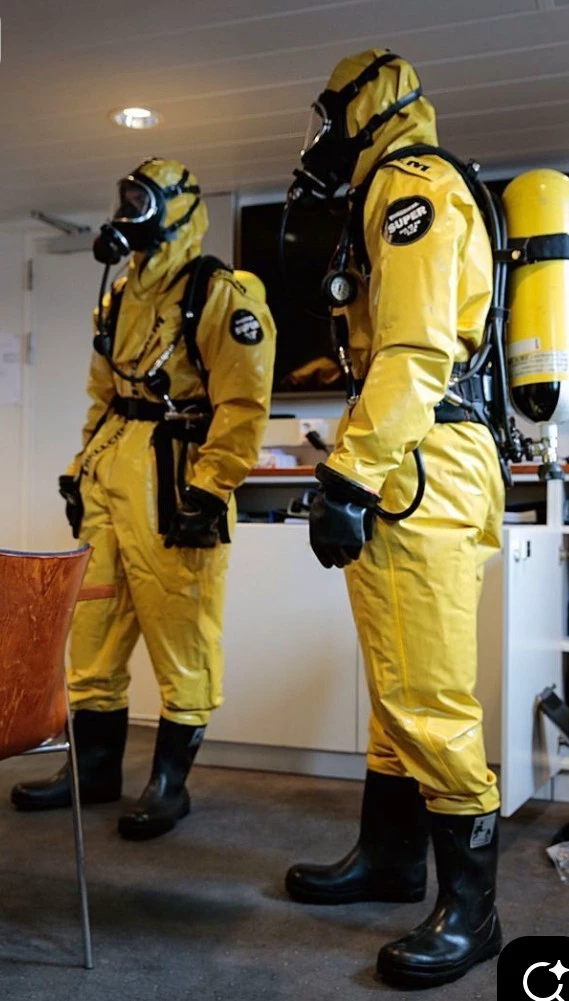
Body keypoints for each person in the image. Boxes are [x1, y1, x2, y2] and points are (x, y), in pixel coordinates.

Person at [283, 50, 504, 989]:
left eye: (330, 116)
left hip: (420, 460)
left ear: (366, 110)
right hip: (415, 456)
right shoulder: (386, 188)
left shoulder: (409, 184)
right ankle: (388, 858)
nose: (320, 138)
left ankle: (475, 913)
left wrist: (347, 477)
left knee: (427, 694)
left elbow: (412, 348)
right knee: (395, 681)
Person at [12, 158, 276, 841]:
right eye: (125, 199)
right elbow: (104, 396)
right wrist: (80, 470)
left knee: (182, 630)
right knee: (93, 625)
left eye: (142, 201)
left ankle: (169, 785)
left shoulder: (219, 292)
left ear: (178, 209)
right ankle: (94, 769)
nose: (128, 213)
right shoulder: (121, 295)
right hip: (112, 473)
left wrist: (210, 489)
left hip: (175, 475)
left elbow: (243, 404)